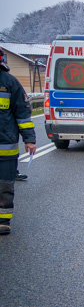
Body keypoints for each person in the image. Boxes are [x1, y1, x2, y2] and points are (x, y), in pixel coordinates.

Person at [0, 48, 37, 235]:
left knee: (5, 184)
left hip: (4, 146)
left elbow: (23, 114)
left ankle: (3, 220)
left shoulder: (9, 82)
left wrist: (29, 139)